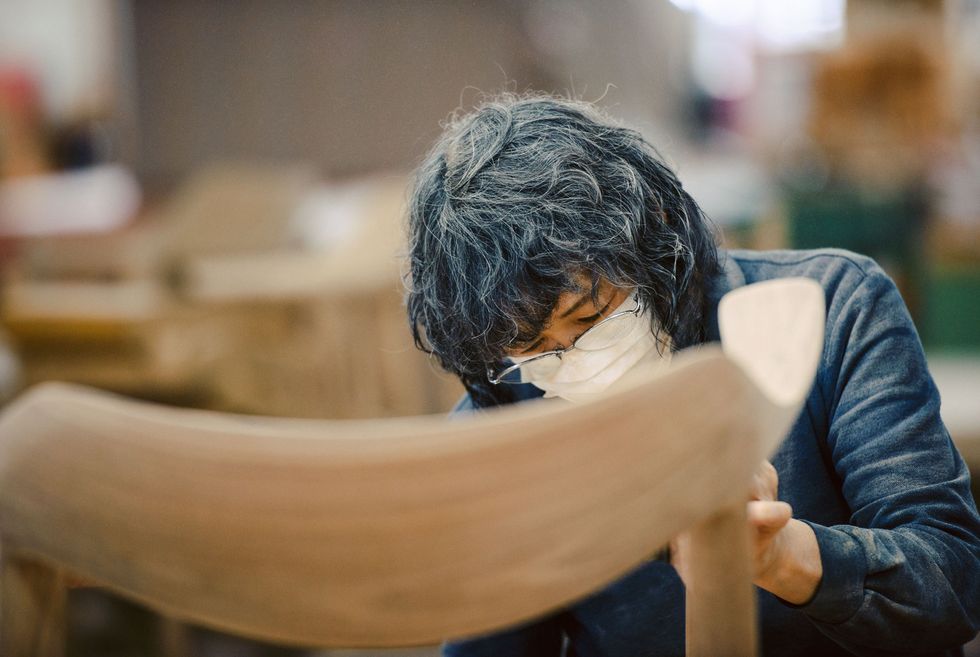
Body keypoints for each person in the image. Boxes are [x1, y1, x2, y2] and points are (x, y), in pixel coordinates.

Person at [403, 93, 980, 657]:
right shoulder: (504, 412)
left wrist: (781, 558)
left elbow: (952, 586)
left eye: (591, 316)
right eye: (535, 349)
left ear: (654, 235)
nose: (573, 361)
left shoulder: (832, 308)